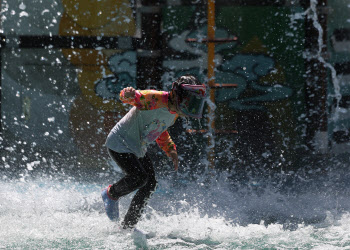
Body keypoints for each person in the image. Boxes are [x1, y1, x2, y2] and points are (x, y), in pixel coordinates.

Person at [101, 75, 206, 230]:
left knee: (150, 184)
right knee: (139, 177)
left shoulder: (175, 112)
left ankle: (128, 226)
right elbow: (132, 97)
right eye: (188, 101)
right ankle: (111, 193)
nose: (190, 106)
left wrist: (170, 149)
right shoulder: (155, 99)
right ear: (177, 95)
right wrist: (127, 94)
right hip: (120, 142)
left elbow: (159, 129)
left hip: (137, 147)